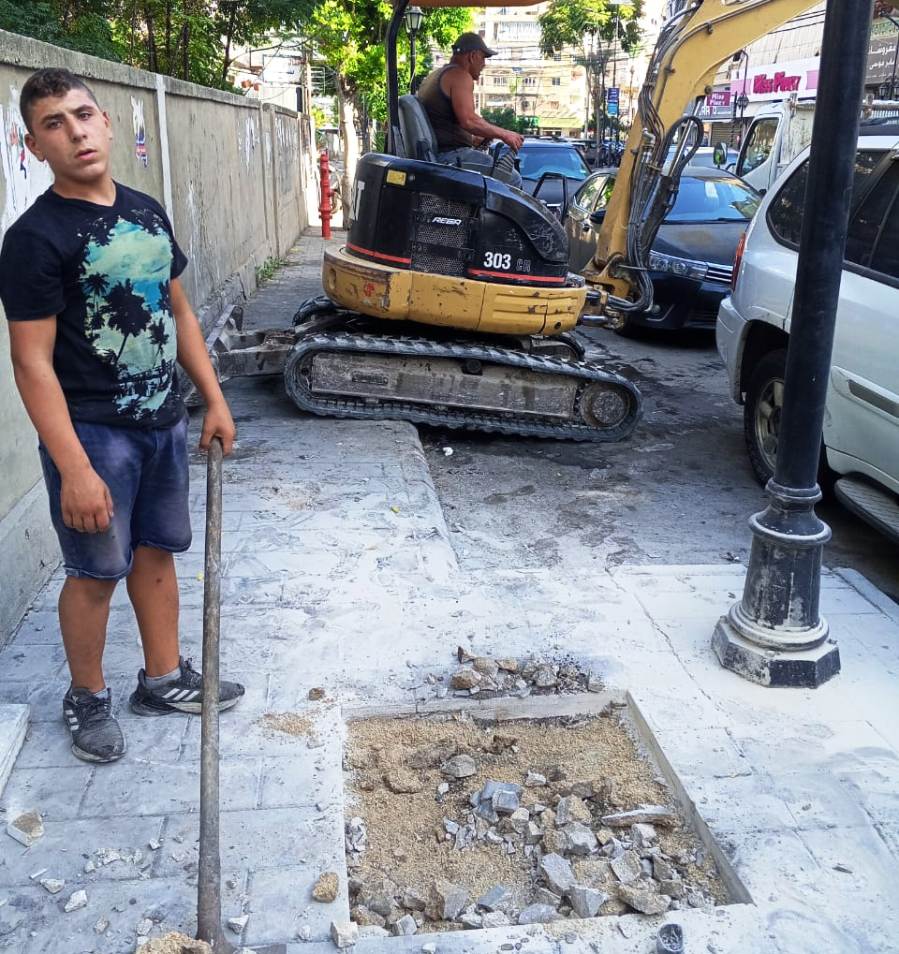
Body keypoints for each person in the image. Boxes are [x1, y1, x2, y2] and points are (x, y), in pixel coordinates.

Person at [0, 68, 244, 764]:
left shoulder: (146, 212)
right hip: (93, 434)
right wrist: (74, 469)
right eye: (54, 124)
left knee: (156, 552)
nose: (75, 132)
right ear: (35, 146)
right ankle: (87, 697)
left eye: (83, 115)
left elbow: (179, 312)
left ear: (105, 122)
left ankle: (162, 679)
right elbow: (32, 363)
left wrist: (214, 398)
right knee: (95, 572)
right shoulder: (34, 239)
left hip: (162, 422)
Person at [417, 32, 524, 188]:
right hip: (449, 158)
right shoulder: (460, 76)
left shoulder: (434, 76)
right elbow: (468, 120)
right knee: (512, 179)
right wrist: (505, 134)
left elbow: (443, 124)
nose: (484, 64)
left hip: (440, 156)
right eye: (483, 58)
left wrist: (473, 140)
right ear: (473, 56)